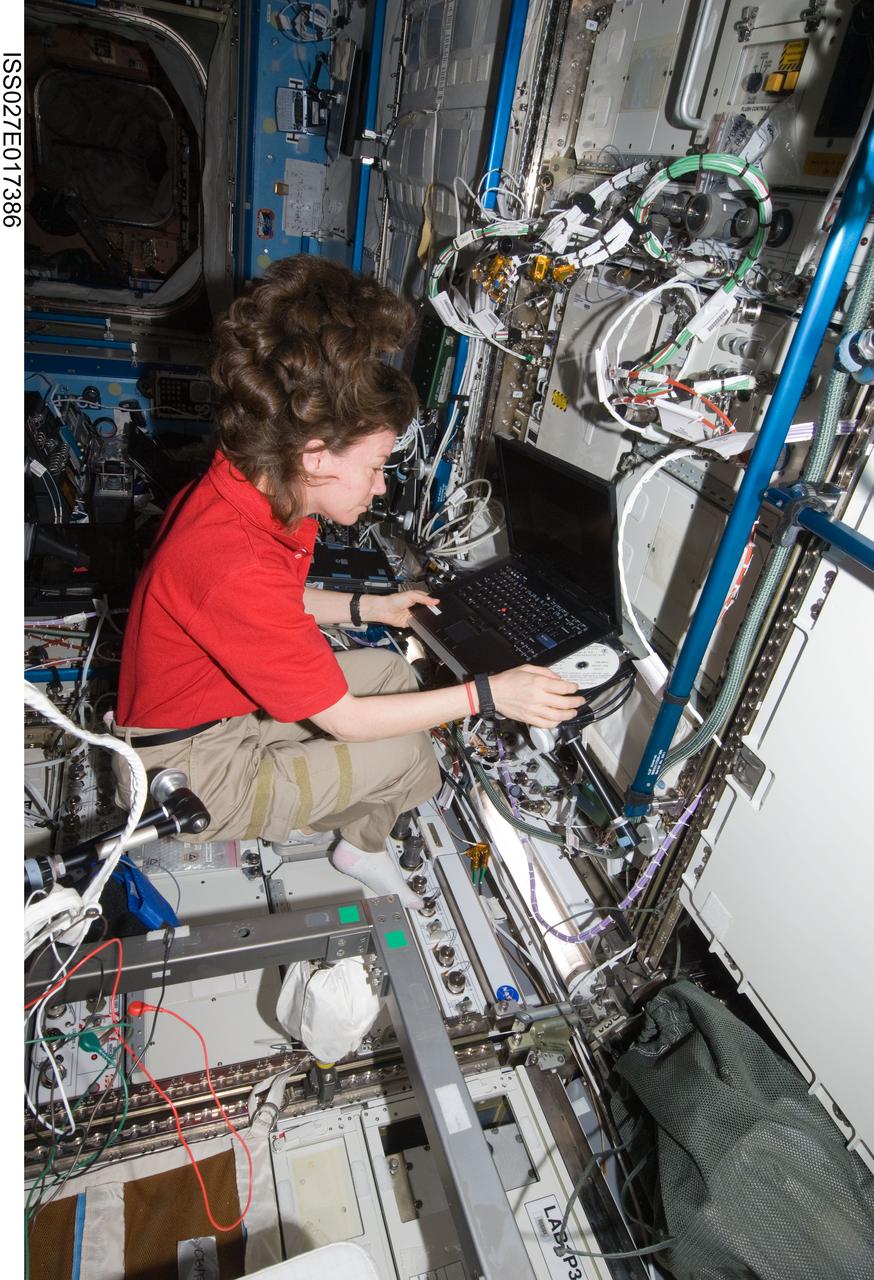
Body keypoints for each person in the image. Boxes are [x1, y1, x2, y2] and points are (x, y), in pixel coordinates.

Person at [112, 256, 584, 909]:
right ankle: (360, 846)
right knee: (411, 760)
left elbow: (273, 608)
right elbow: (349, 720)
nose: (384, 485)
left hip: (216, 714)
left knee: (395, 677)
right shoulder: (230, 558)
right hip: (197, 773)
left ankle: (359, 839)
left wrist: (377, 607)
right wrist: (490, 695)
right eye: (378, 466)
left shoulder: (250, 483)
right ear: (315, 458)